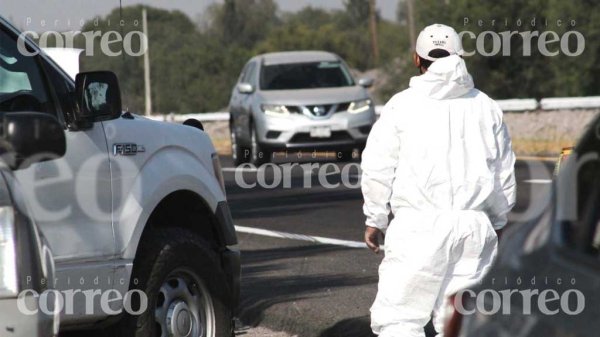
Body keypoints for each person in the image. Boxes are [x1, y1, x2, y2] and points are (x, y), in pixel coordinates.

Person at [360, 23, 516, 337]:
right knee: (461, 324)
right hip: (474, 228)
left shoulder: (401, 105)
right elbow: (503, 173)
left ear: (417, 59)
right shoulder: (486, 107)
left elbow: (378, 166)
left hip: (418, 227)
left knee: (399, 320)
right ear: (460, 56)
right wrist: (498, 223)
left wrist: (375, 218)